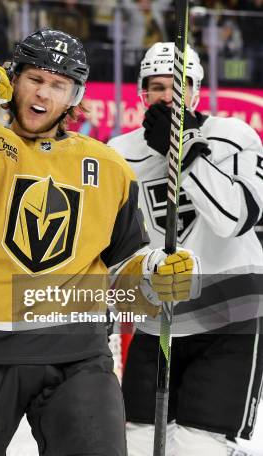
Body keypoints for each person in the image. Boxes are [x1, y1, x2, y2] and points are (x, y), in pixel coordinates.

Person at [0, 28, 199, 456]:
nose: (43, 94)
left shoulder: (109, 166)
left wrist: (157, 270)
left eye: (58, 85)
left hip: (77, 357)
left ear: (74, 97)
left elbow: (125, 264)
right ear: (14, 81)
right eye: (36, 79)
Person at [108, 42, 263, 455]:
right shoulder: (119, 154)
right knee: (137, 443)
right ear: (141, 93)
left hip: (232, 317)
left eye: (177, 86)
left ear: (196, 90)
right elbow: (114, 245)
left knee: (198, 448)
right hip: (159, 320)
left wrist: (185, 153)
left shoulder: (235, 136)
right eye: (154, 87)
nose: (165, 97)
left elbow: (235, 220)